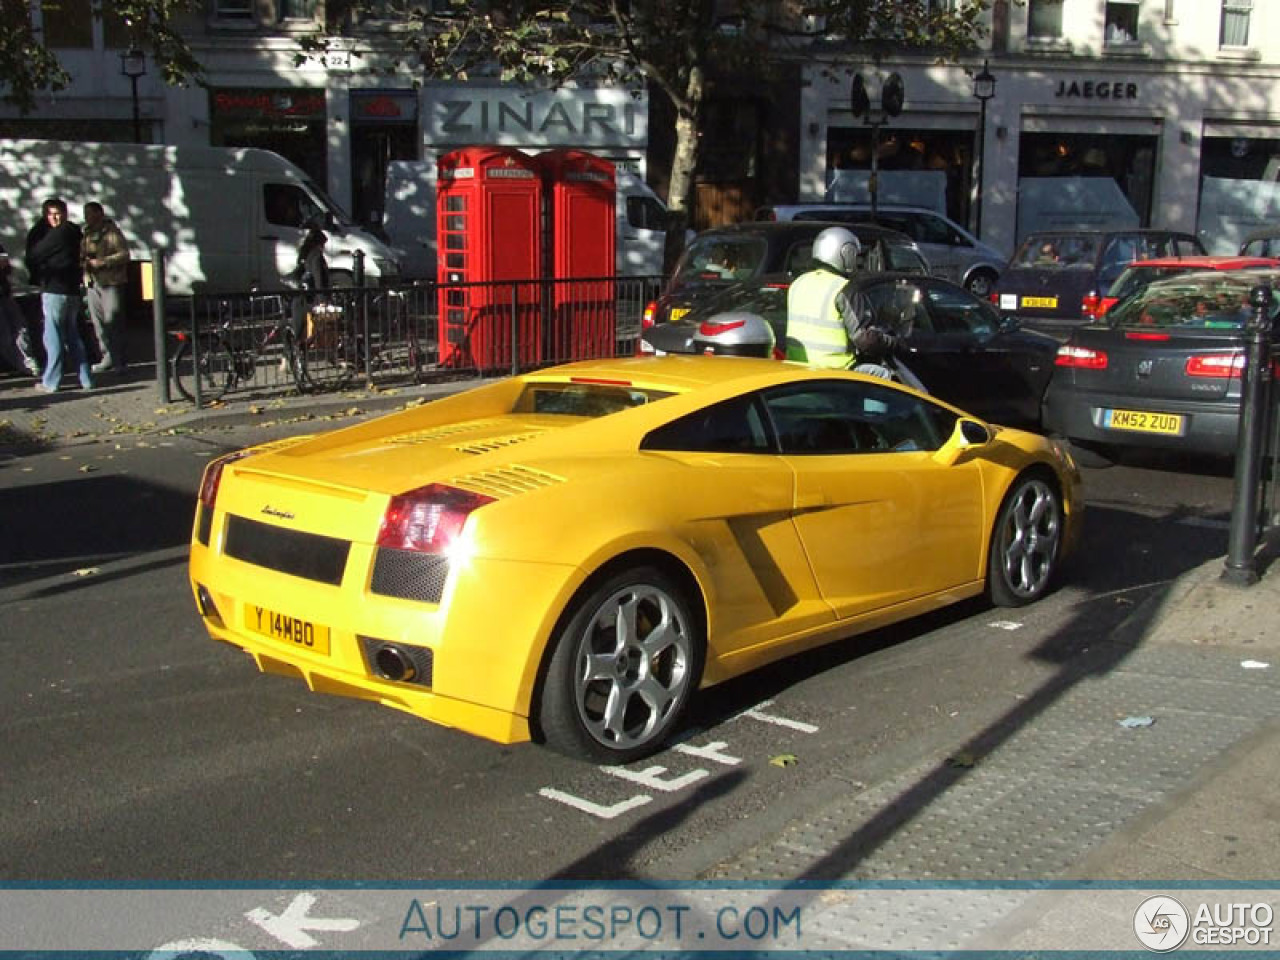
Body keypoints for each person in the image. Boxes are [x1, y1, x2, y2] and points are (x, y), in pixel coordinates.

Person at [787, 225, 926, 390]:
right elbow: (865, 340)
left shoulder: (798, 283)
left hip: (798, 368)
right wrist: (893, 342)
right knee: (887, 377)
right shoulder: (843, 288)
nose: (857, 262)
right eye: (855, 255)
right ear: (844, 253)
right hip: (837, 371)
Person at [26, 196, 91, 393]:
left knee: (52, 337)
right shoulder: (74, 232)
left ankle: (51, 381)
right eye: (51, 214)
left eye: (57, 214)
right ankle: (86, 378)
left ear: (64, 213)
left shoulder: (58, 234)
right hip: (72, 291)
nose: (54, 218)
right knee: (73, 335)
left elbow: (34, 254)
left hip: (55, 290)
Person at [81, 200, 131, 375]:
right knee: (98, 323)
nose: (87, 218)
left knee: (113, 322)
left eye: (90, 214)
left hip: (111, 282)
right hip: (93, 282)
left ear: (99, 214)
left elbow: (125, 255)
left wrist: (103, 262)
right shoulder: (86, 233)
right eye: (85, 214)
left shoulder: (112, 232)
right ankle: (107, 357)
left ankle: (120, 361)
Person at [0, 241, 40, 377]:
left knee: (21, 329)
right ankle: (22, 364)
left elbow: (7, 267)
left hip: (4, 294)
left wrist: (5, 266)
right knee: (5, 335)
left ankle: (28, 362)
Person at [289, 227, 330, 344]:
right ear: (319, 243)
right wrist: (322, 299)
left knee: (299, 329)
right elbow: (319, 278)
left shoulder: (304, 254)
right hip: (309, 299)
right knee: (308, 329)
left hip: (301, 297)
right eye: (323, 244)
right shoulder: (316, 256)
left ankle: (292, 355)